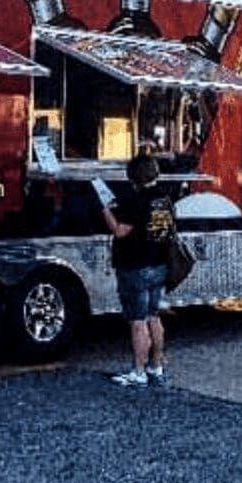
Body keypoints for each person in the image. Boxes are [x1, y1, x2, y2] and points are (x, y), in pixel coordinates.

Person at [101, 149, 174, 387]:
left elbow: (121, 231)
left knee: (137, 320)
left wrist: (105, 211)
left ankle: (138, 371)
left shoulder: (136, 201)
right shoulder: (165, 198)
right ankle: (156, 366)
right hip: (159, 265)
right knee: (154, 317)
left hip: (136, 266)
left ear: (134, 177)